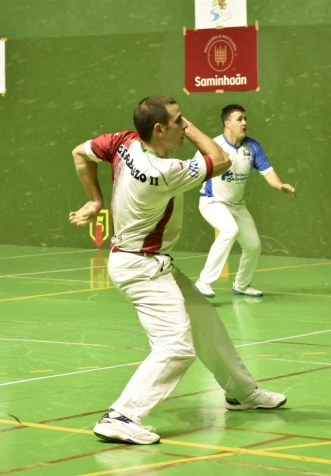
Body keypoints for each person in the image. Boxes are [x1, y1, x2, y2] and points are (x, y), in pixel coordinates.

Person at [69, 96, 286, 445]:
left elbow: (80, 154)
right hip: (142, 268)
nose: (184, 126)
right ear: (160, 129)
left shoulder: (124, 141)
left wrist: (95, 200)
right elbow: (220, 159)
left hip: (150, 262)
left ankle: (242, 393)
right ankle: (122, 416)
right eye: (178, 121)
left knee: (206, 323)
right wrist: (191, 127)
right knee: (176, 346)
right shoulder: (162, 172)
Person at [194, 105, 296, 299]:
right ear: (227, 123)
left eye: (245, 119)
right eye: (239, 119)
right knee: (229, 230)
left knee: (253, 246)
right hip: (212, 201)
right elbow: (192, 171)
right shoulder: (212, 146)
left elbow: (268, 172)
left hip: (237, 205)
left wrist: (281, 185)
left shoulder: (253, 147)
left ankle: (241, 284)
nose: (244, 123)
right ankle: (203, 281)